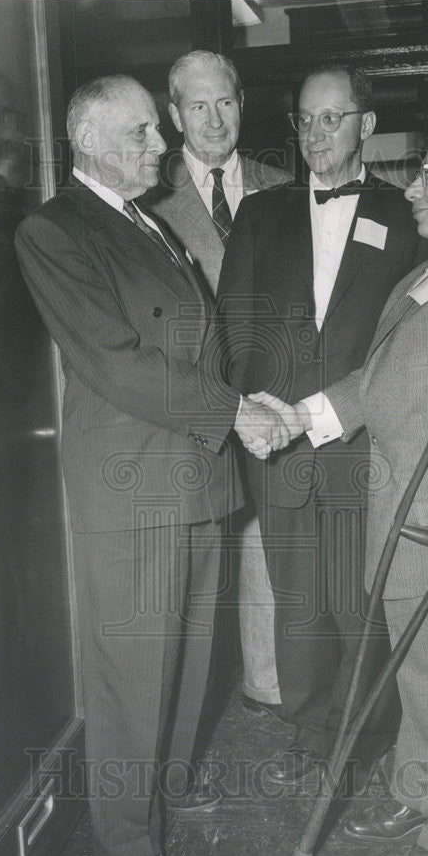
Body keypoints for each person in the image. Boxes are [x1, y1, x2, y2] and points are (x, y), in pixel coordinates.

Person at [14, 75, 291, 856]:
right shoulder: (55, 229)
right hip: (132, 484)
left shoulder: (142, 219)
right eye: (141, 132)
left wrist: (250, 402)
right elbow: (116, 362)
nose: (160, 144)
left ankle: (167, 783)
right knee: (132, 665)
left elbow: (198, 347)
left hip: (196, 472)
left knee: (189, 653)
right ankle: (125, 836)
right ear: (90, 139)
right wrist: (234, 412)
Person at [250, 119, 428, 856]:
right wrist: (300, 421)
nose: (412, 188)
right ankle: (422, 786)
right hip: (403, 521)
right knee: (420, 675)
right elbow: (380, 383)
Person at [217, 64, 428, 784]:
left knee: (355, 599)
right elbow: (233, 325)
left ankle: (359, 732)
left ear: (365, 126)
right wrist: (252, 413)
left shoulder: (408, 217)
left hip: (361, 443)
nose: (315, 134)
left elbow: (415, 343)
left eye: (331, 119)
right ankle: (309, 729)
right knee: (297, 601)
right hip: (275, 445)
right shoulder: (260, 213)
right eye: (305, 120)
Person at [147, 50, 291, 726]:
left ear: (242, 103)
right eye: (196, 106)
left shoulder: (283, 188)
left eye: (224, 103)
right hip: (191, 411)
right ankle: (189, 714)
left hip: (270, 406)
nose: (213, 120)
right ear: (173, 115)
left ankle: (266, 689)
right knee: (196, 564)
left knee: (266, 547)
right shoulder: (143, 199)